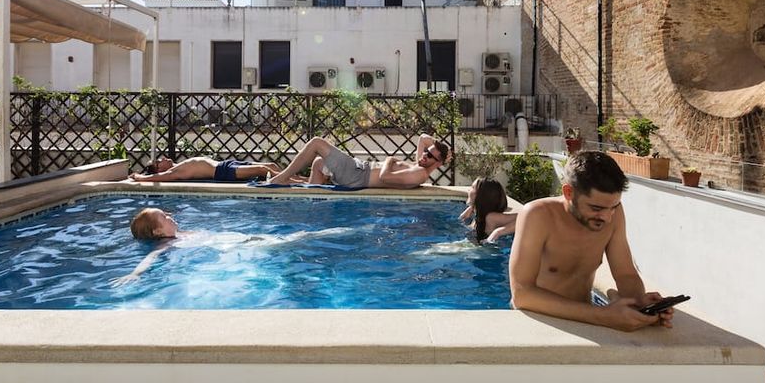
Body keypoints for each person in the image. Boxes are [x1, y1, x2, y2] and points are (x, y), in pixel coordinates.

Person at [508, 151, 673, 332]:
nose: (607, 218)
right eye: (596, 208)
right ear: (569, 192)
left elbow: (625, 274)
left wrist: (640, 305)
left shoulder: (613, 213)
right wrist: (603, 316)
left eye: (613, 207)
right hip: (542, 324)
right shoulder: (538, 215)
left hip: (586, 319)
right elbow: (522, 294)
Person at [268, 134, 451, 189]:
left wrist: (390, 160)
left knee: (317, 143)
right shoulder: (420, 165)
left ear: (437, 163)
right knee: (318, 163)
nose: (424, 155)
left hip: (357, 175)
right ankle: (311, 194)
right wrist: (445, 151)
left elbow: (385, 177)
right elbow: (423, 138)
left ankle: (280, 179)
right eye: (426, 152)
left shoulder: (419, 173)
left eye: (429, 155)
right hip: (357, 170)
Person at [112, 208, 181, 285]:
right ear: (158, 231)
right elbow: (151, 256)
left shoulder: (179, 235)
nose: (170, 215)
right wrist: (135, 273)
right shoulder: (166, 244)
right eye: (164, 216)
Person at [129, 156, 284, 183]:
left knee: (271, 166)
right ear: (159, 170)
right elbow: (157, 178)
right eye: (159, 162)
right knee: (262, 169)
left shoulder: (178, 166)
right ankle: (293, 182)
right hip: (222, 172)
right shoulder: (173, 173)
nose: (163, 159)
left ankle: (294, 180)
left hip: (226, 164)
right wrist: (140, 177)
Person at [460, 177, 518, 243]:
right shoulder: (477, 214)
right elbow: (461, 220)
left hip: (484, 248)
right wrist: (472, 206)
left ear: (481, 195)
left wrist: (498, 232)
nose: (468, 190)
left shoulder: (491, 217)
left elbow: (524, 218)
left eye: (472, 187)